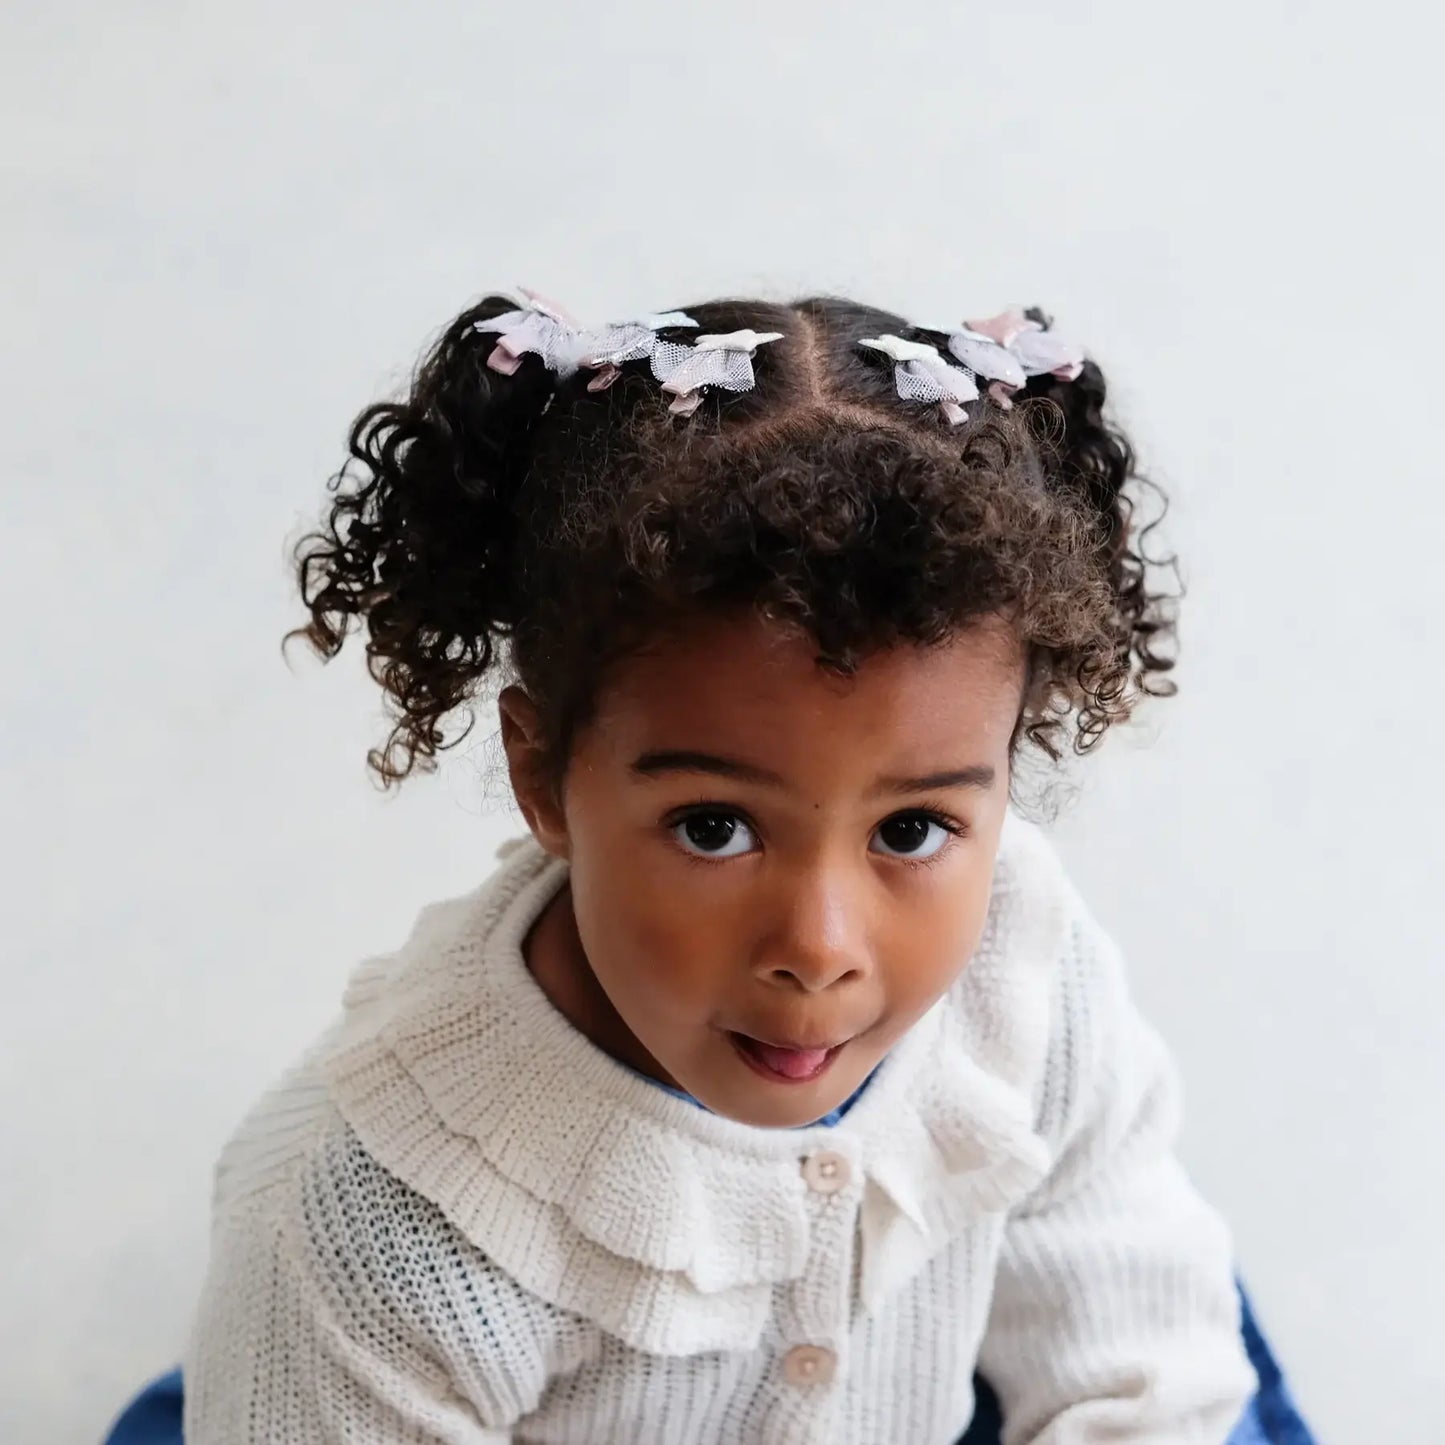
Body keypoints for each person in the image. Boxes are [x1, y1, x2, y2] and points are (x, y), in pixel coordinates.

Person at [167, 291, 1315, 1443]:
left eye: (910, 830)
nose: (817, 947)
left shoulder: (1024, 970)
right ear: (542, 772)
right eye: (713, 826)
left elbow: (1143, 1371)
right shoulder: (367, 1230)